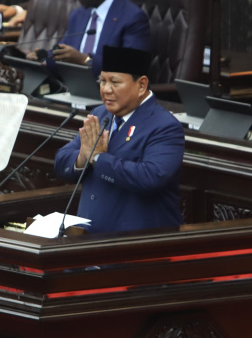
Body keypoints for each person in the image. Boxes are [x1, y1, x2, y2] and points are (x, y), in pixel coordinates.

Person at [54, 45, 185, 234]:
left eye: (114, 82)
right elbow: (62, 159)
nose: (106, 89)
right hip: (86, 242)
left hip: (136, 246)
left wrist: (98, 158)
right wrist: (83, 156)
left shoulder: (165, 126)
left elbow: (149, 177)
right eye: (102, 81)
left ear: (141, 85)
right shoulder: (100, 113)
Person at [25, 0, 149, 77]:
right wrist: (43, 60)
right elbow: (64, 55)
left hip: (107, 92)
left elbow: (132, 68)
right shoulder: (78, 15)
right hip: (70, 89)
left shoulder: (132, 18)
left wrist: (85, 60)